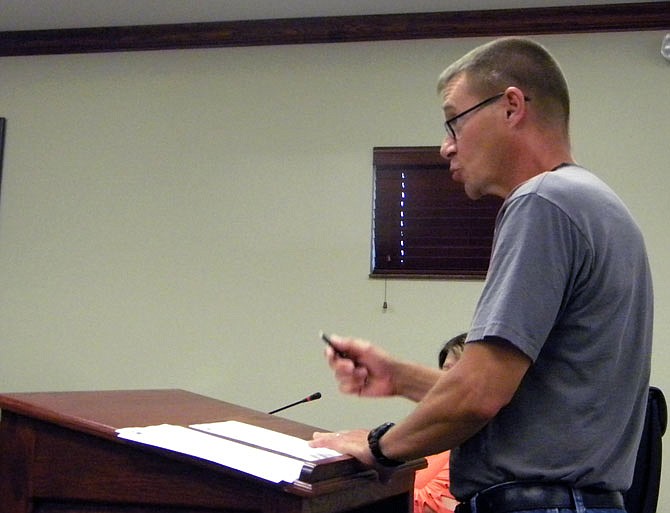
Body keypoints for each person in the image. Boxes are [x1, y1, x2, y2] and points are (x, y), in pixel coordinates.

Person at [310, 36, 653, 513]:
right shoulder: (598, 205)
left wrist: (376, 447)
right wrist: (400, 378)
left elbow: (479, 395)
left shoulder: (542, 202)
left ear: (511, 106)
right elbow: (528, 409)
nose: (446, 146)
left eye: (454, 120)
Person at [414, 333, 466, 513]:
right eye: (446, 369)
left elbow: (437, 507)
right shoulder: (436, 431)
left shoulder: (480, 439)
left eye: (460, 370)